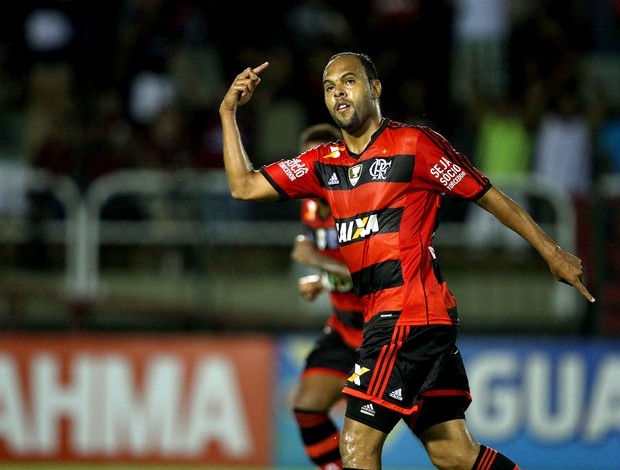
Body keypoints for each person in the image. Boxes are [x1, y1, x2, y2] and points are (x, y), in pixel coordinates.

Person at [219, 52, 595, 470]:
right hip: (406, 320)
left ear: (375, 89)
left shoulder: (414, 145)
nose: (338, 92)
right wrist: (228, 111)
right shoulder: (324, 163)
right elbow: (244, 186)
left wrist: (552, 251)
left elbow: (488, 196)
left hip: (406, 318)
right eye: (329, 87)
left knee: (357, 448)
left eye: (349, 81)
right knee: (452, 452)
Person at [291, 123, 364, 470]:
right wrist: (318, 278)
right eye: (306, 160)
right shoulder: (309, 206)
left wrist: (317, 262)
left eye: (321, 158)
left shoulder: (358, 205)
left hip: (381, 331)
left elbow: (373, 273)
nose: (313, 167)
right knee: (307, 407)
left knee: (445, 449)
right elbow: (325, 257)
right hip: (343, 326)